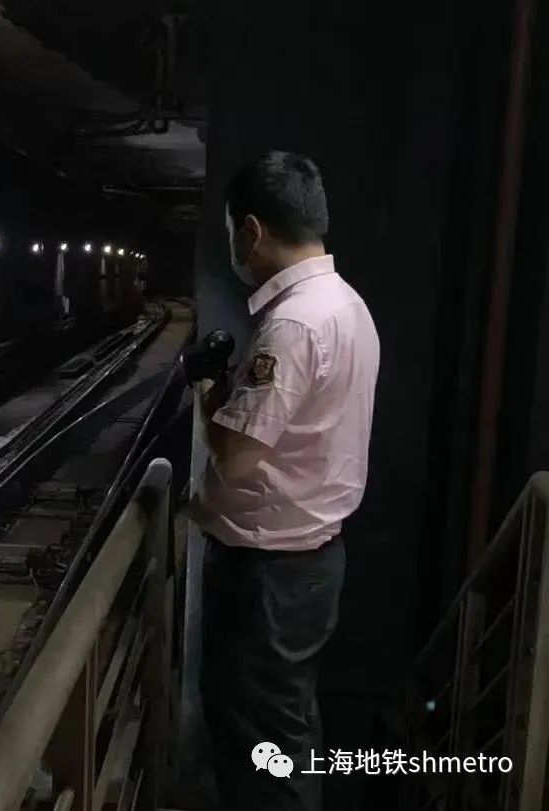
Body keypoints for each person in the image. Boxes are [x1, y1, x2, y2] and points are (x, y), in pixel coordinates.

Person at [191, 151, 380, 810]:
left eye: (231, 234)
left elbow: (236, 456)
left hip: (268, 576)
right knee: (283, 728)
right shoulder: (347, 304)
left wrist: (208, 388)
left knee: (258, 747)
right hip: (308, 561)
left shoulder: (294, 323)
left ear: (251, 231)